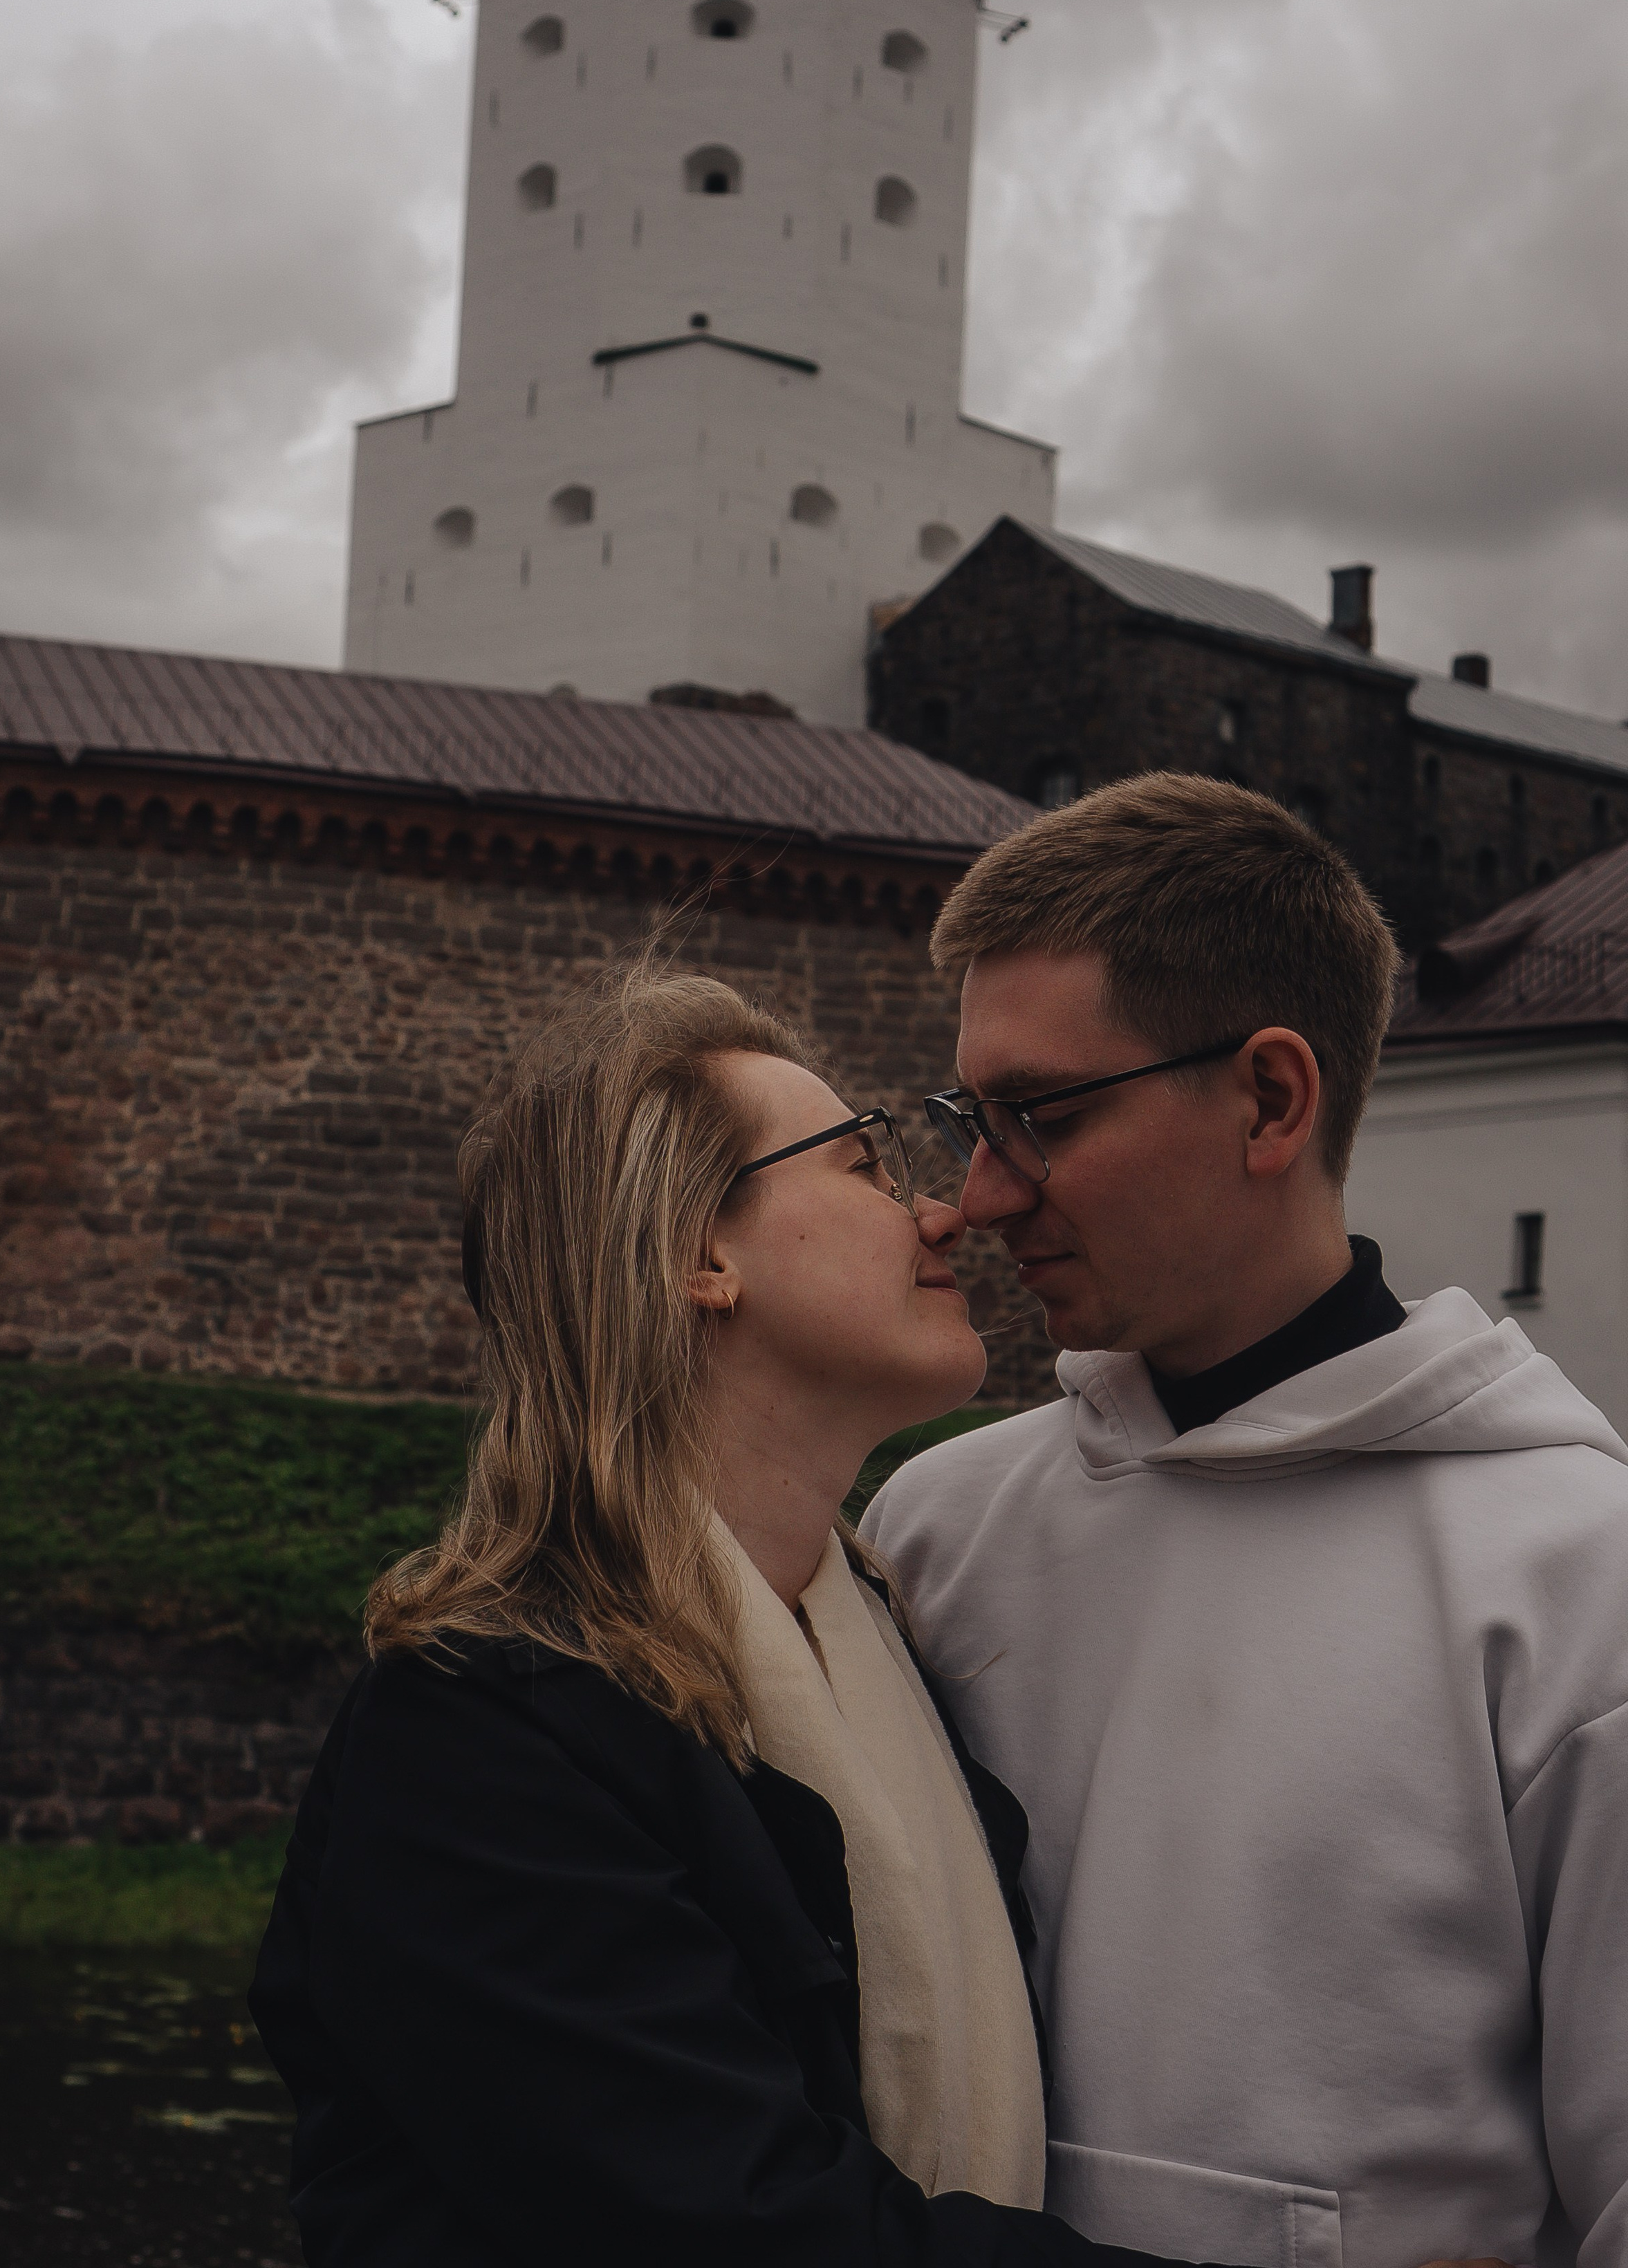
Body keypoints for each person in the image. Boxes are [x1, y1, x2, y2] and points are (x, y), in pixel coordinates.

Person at [249, 963, 1200, 2268]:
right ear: (699, 1255)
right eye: (865, 1163)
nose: (943, 1213)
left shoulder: (879, 1649)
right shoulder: (480, 1736)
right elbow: (745, 2229)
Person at [863, 773, 1628, 2268]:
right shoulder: (930, 1528)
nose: (974, 1197)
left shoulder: (1577, 1578)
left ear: (1269, 1098)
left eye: (1040, 1119)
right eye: (970, 1117)